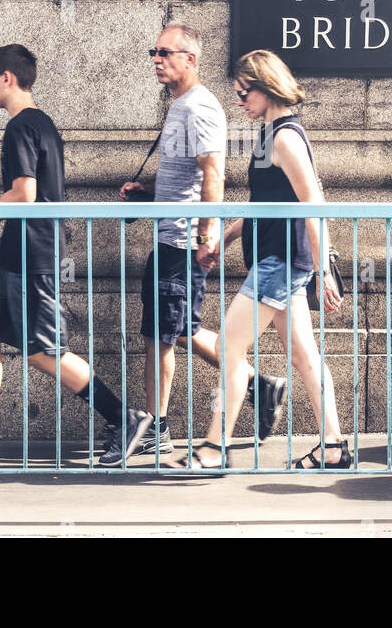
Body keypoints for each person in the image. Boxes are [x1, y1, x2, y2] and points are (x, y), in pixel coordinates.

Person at [0, 44, 152, 466]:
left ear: (7, 78)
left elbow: (25, 193)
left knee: (42, 353)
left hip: (32, 256)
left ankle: (124, 419)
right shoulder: (41, 123)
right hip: (16, 255)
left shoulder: (21, 127)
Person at [103, 25, 288, 465]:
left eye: (165, 52)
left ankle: (155, 429)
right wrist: (148, 194)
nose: (156, 59)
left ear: (190, 58)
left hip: (183, 243)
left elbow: (214, 174)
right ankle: (259, 385)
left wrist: (207, 236)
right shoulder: (180, 106)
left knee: (159, 337)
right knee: (177, 329)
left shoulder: (200, 107)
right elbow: (185, 180)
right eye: (154, 51)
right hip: (173, 237)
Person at [166, 50, 348, 470]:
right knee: (304, 357)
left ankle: (213, 449)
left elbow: (312, 203)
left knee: (229, 346)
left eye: (245, 93)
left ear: (267, 88)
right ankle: (334, 446)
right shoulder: (270, 135)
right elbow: (262, 205)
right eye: (237, 94)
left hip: (281, 262)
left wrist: (324, 272)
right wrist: (225, 238)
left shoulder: (285, 137)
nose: (241, 101)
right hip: (279, 259)